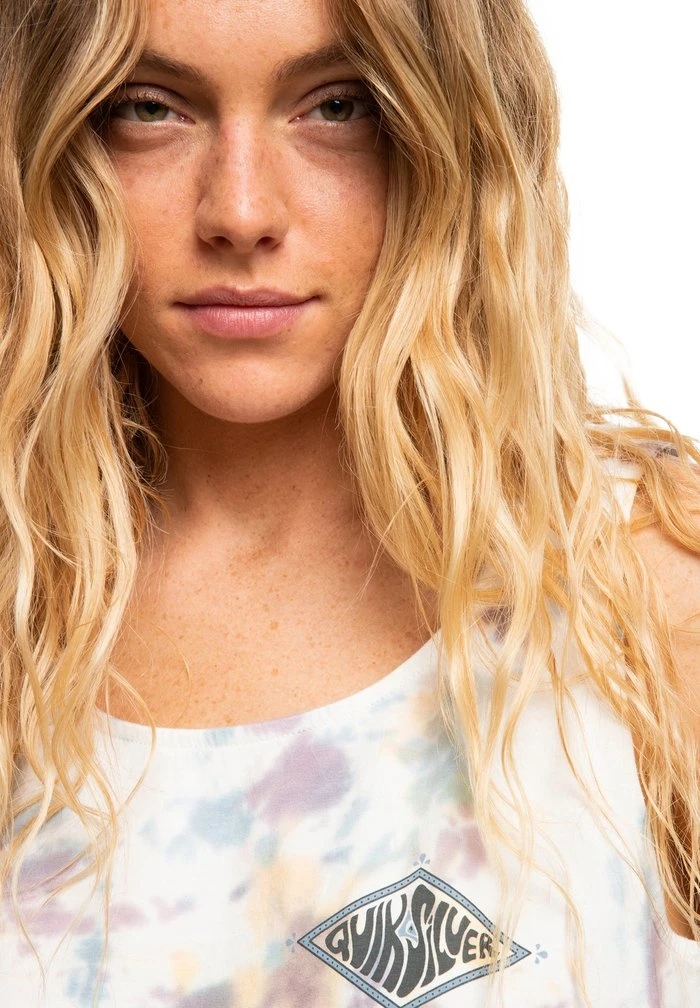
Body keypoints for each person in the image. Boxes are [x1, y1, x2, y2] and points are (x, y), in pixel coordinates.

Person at [0, 0, 698, 1005]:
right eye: (149, 108)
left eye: (337, 106)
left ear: (449, 134)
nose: (241, 211)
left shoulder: (643, 592)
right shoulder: (20, 610)